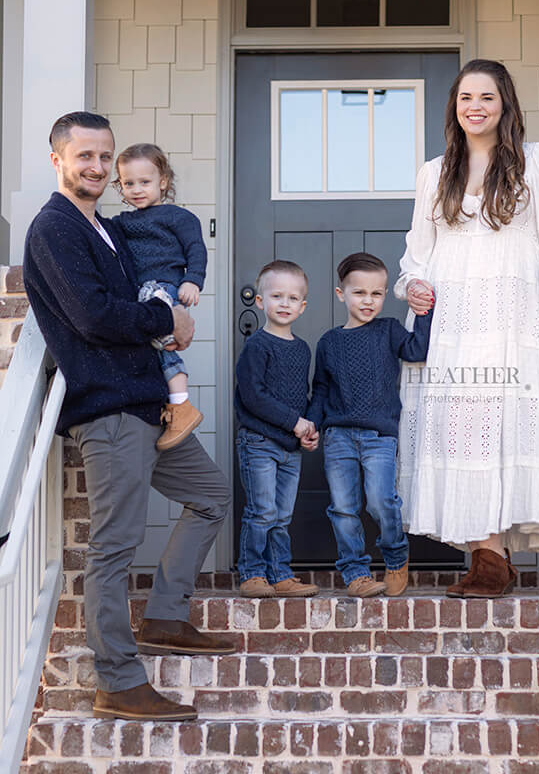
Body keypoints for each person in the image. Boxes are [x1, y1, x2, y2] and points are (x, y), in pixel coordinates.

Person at [23, 112, 233, 723]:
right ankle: (118, 679)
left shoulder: (108, 229)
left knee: (212, 495)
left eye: (102, 157)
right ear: (58, 159)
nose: (94, 167)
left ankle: (166, 614)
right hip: (110, 410)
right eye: (82, 156)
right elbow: (92, 316)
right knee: (114, 547)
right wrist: (169, 321)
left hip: (148, 404)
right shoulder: (56, 227)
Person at [395, 59, 539, 599]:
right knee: (461, 429)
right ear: (453, 108)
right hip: (452, 318)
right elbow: (417, 258)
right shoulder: (434, 173)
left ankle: (494, 557)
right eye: (465, 98)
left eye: (485, 97)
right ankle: (487, 556)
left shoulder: (535, 163)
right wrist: (411, 286)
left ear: (504, 103)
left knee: (502, 424)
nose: (474, 107)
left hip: (508, 316)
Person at [307, 252, 433, 598]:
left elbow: (417, 350)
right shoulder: (329, 342)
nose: (368, 301)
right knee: (344, 508)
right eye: (359, 292)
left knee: (381, 502)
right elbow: (320, 389)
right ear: (340, 294)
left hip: (379, 436)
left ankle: (396, 557)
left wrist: (424, 312)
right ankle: (356, 573)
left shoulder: (389, 330)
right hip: (338, 438)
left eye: (376, 294)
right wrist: (311, 424)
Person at [112, 143, 206, 451]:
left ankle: (182, 404)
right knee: (154, 346)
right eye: (128, 183)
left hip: (165, 287)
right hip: (142, 295)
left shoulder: (178, 217)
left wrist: (193, 280)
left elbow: (196, 250)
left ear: (163, 181)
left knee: (160, 343)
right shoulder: (122, 223)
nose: (137, 189)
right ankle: (176, 404)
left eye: (145, 182)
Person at [235, 260, 319, 599]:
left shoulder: (301, 348)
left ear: (302, 306)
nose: (284, 304)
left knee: (282, 515)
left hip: (290, 447)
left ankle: (280, 573)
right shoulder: (257, 346)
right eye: (276, 296)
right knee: (263, 510)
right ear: (260, 301)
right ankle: (252, 573)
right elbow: (254, 397)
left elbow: (304, 395)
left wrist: (308, 428)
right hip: (259, 442)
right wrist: (293, 422)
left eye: (292, 298)